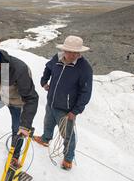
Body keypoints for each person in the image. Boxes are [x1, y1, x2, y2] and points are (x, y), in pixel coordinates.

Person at [33, 36, 93, 171]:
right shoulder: (57, 58)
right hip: (52, 102)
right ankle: (45, 139)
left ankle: (68, 158)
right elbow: (48, 68)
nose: (72, 55)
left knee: (68, 135)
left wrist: (75, 111)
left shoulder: (84, 68)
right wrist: (44, 82)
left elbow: (86, 92)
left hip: (67, 110)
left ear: (79, 53)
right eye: (69, 51)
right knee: (48, 123)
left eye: (75, 52)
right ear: (64, 50)